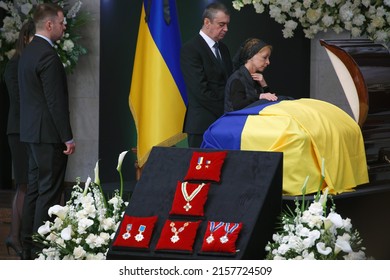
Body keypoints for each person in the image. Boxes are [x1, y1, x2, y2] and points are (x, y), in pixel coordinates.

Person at [18, 3, 75, 259]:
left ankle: (27, 246)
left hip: (31, 133)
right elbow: (55, 102)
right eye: (62, 22)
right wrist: (67, 136)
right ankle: (42, 250)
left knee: (35, 190)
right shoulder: (48, 55)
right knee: (49, 191)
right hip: (48, 135)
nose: (65, 27)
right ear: (49, 24)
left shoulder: (28, 52)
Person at [3, 20, 35, 258]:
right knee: (23, 184)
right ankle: (15, 236)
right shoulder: (15, 66)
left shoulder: (22, 63)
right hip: (19, 130)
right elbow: (20, 100)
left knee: (26, 185)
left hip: (26, 130)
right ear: (25, 38)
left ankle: (20, 236)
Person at [180, 2, 233, 148]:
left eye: (227, 24)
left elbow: (229, 82)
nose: (226, 29)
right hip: (202, 125)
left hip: (224, 124)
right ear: (207, 22)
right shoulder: (190, 49)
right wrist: (226, 112)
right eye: (221, 24)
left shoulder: (223, 48)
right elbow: (200, 90)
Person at [224, 38, 292, 113]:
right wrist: (260, 96)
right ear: (251, 56)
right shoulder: (237, 79)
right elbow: (238, 106)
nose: (268, 62)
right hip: (237, 123)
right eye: (264, 57)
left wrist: (264, 85)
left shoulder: (256, 78)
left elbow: (268, 102)